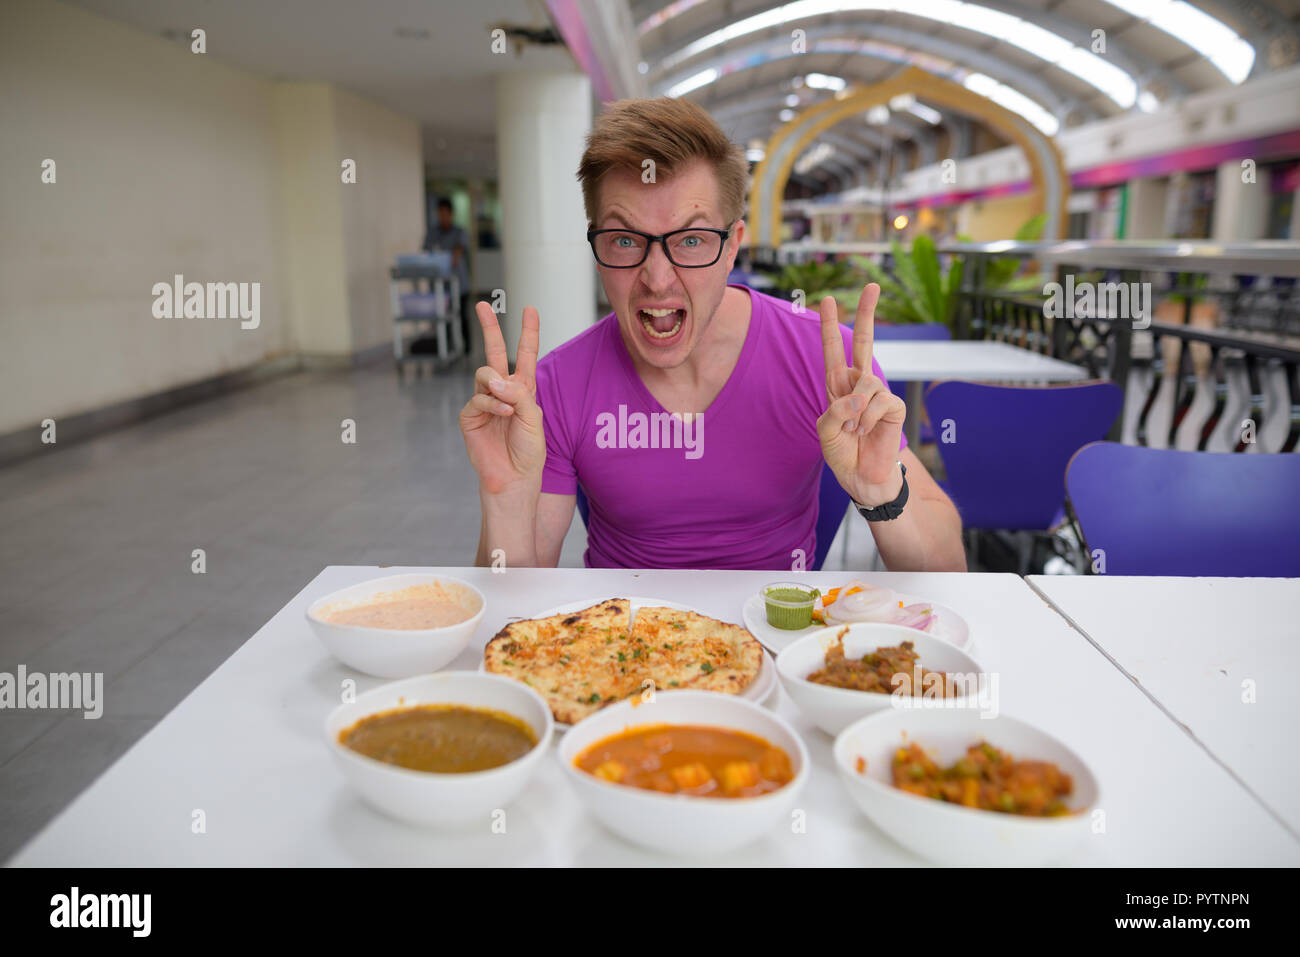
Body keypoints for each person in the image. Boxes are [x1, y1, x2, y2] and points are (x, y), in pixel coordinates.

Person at [459, 98, 965, 572]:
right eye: (625, 239)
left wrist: (881, 491)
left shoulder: (824, 364)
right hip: (621, 646)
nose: (657, 278)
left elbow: (949, 571)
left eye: (693, 239)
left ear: (732, 247)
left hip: (780, 639)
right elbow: (514, 611)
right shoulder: (559, 384)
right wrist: (504, 498)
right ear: (597, 247)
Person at [423, 197, 472, 356]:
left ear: (451, 214)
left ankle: (466, 349)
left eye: (445, 213)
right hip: (440, 286)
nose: (442, 217)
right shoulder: (433, 233)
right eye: (440, 213)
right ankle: (447, 347)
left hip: (459, 283)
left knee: (462, 316)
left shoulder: (459, 232)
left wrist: (447, 258)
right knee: (443, 318)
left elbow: (457, 255)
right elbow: (427, 254)